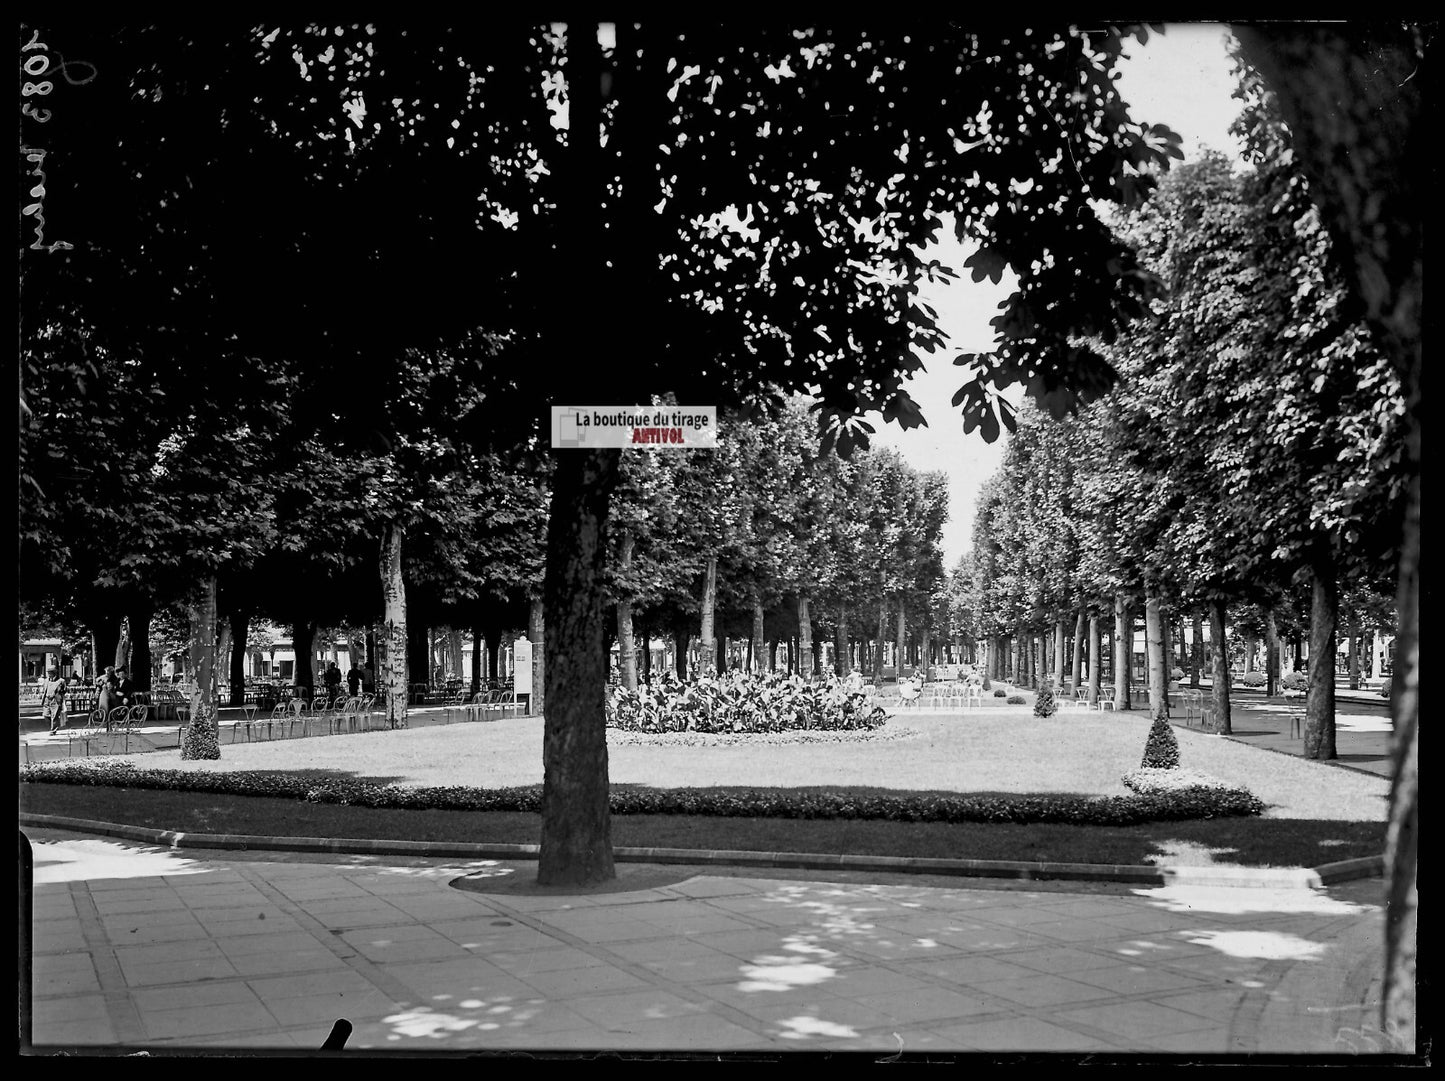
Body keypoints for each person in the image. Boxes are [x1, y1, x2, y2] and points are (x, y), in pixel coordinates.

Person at [39, 668, 68, 735]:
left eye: (50, 672)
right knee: (45, 715)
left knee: (54, 716)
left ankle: (53, 730)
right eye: (48, 673)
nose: (49, 674)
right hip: (47, 700)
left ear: (54, 673)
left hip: (55, 700)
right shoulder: (46, 680)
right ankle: (54, 726)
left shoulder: (61, 681)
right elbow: (44, 689)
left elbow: (64, 690)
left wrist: (59, 692)